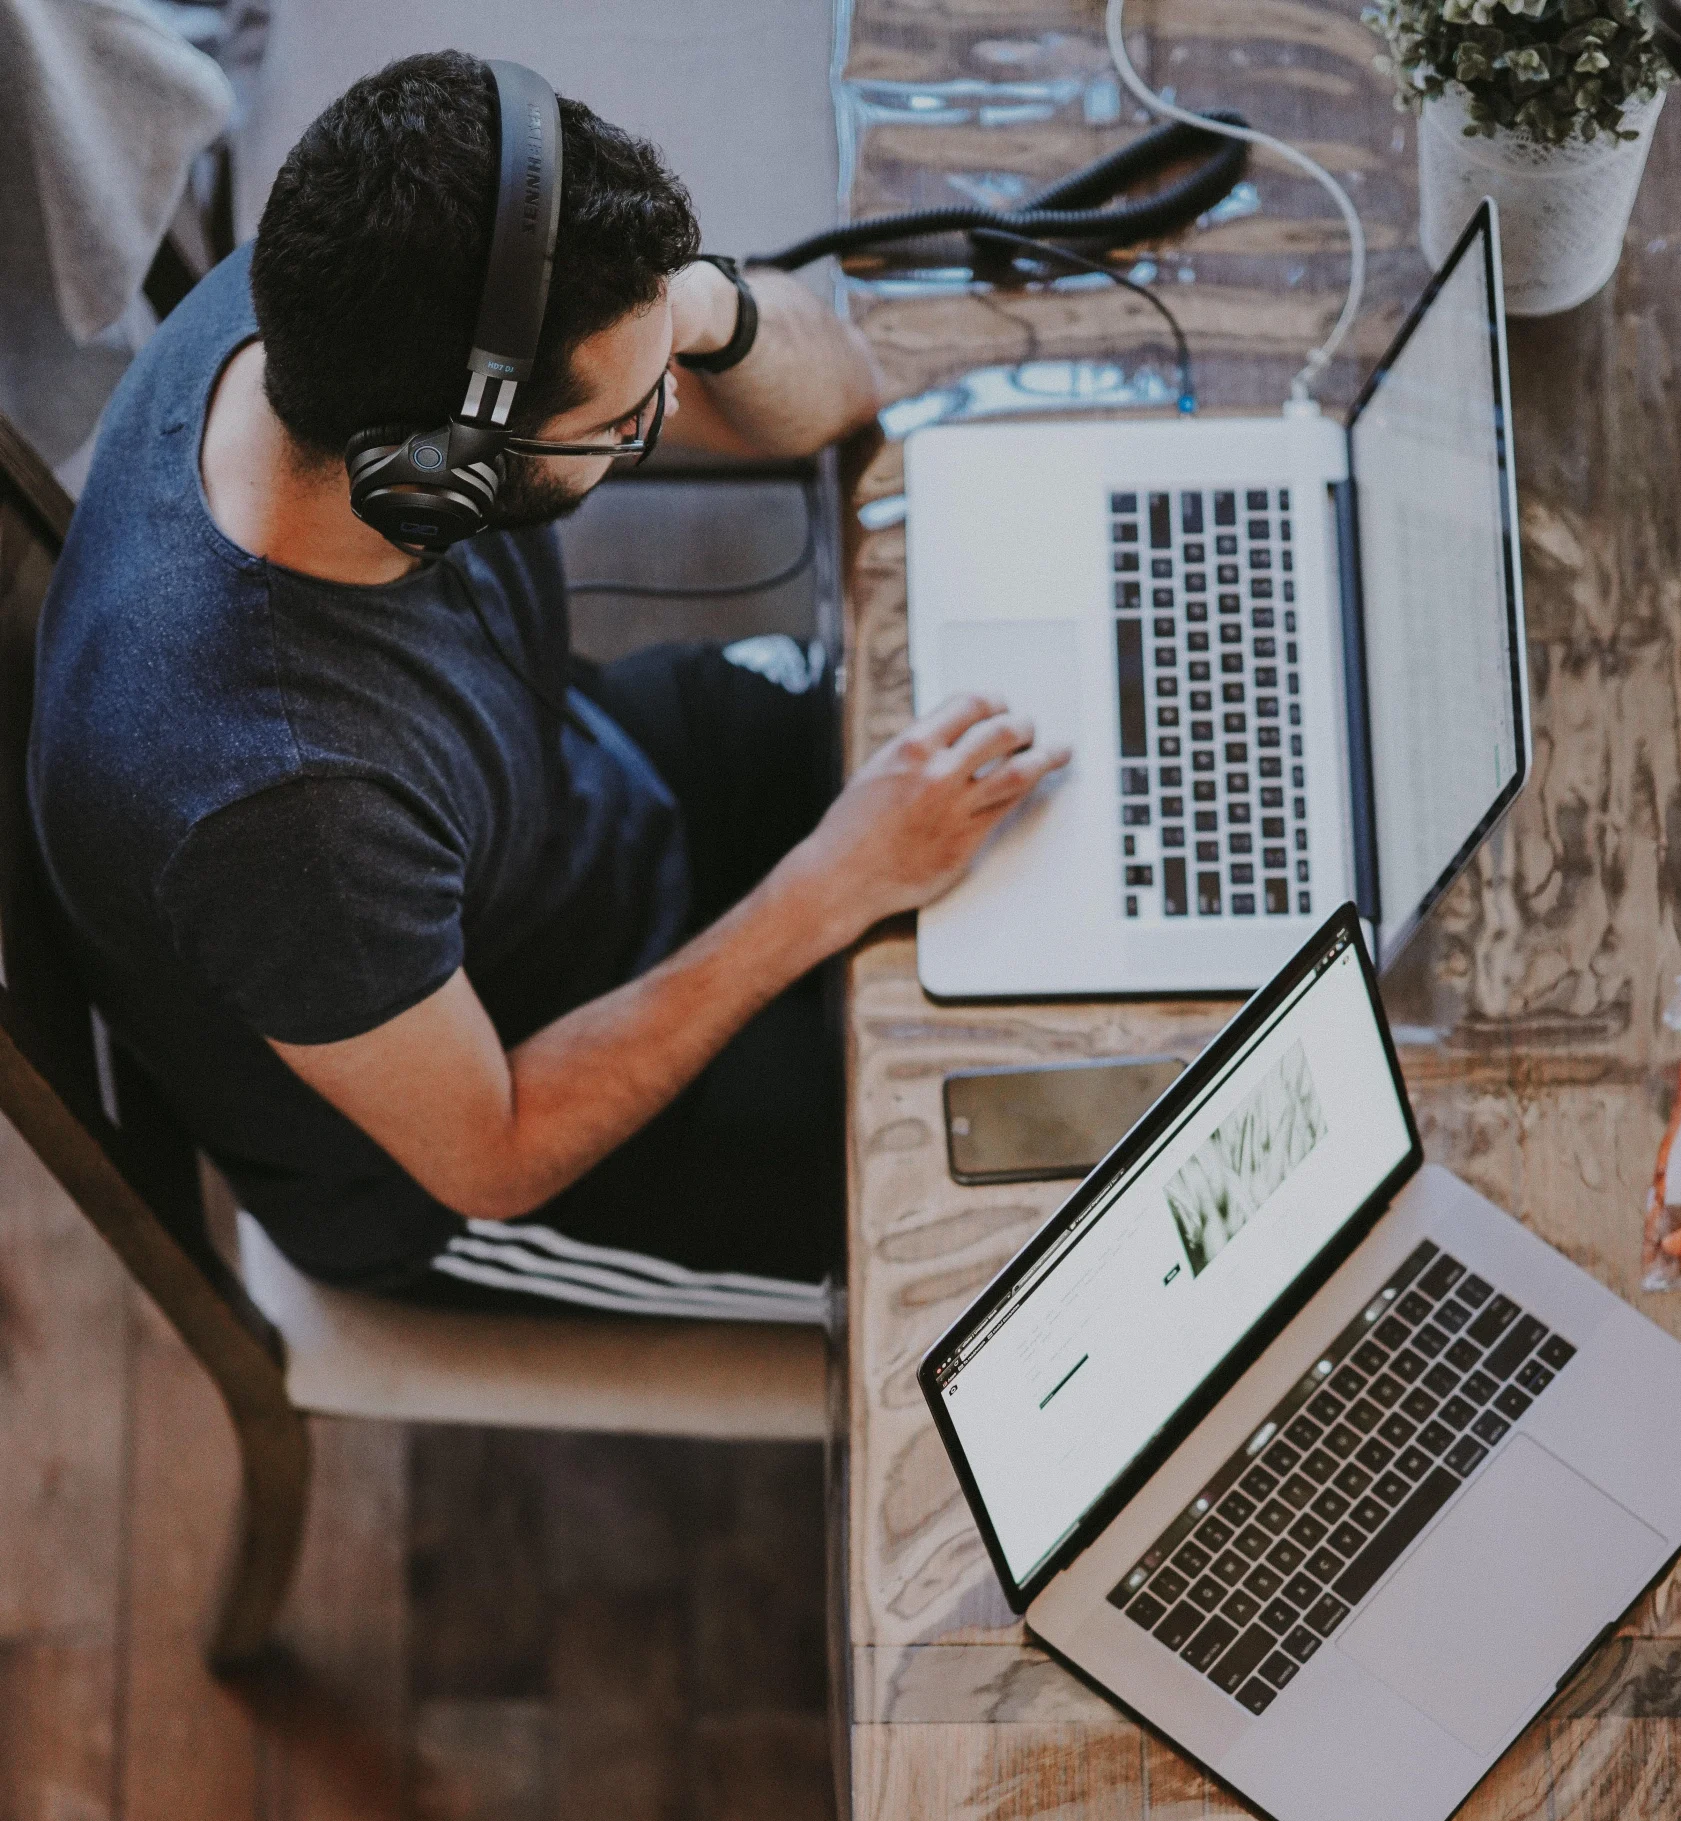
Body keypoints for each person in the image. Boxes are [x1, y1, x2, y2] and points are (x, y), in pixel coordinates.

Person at [28, 51, 1067, 1311]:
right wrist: (832, 885)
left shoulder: (348, 297)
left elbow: (840, 391)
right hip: (493, 1123)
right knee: (1019, 1204)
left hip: (572, 802)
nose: (664, 415)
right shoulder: (280, 807)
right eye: (626, 422)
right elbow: (496, 1151)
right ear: (441, 477)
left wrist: (690, 307)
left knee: (1046, 775)